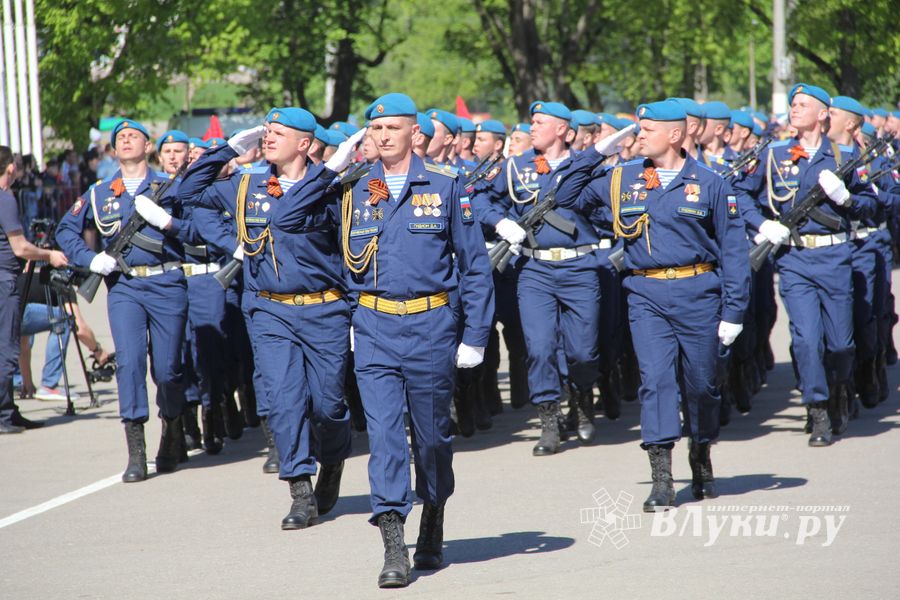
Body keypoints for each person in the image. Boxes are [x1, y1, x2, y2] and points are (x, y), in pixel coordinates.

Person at [178, 109, 363, 529]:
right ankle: (299, 489)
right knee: (284, 399)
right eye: (267, 131)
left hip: (325, 307)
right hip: (269, 308)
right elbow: (187, 192)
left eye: (280, 133)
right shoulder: (247, 183)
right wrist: (227, 149)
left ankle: (332, 460)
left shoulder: (336, 187)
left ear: (305, 143)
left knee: (329, 405)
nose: (269, 137)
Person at [339, 93, 493, 588]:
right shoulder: (354, 189)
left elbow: (474, 266)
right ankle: (392, 545)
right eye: (375, 129)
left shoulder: (447, 188)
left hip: (430, 327)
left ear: (415, 134)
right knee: (384, 439)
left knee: (430, 440)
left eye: (392, 128)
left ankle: (433, 515)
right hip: (375, 327)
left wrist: (475, 334)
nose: (382, 136)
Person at [572, 99, 750, 510]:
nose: (639, 136)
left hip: (699, 293)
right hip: (645, 293)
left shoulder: (710, 183)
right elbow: (566, 195)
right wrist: (596, 153)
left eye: (648, 130)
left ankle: (701, 450)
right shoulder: (624, 177)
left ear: (676, 133)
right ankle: (662, 478)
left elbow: (734, 251)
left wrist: (734, 311)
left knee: (703, 385)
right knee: (655, 381)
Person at [472, 101, 633, 454]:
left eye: (540, 122)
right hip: (534, 269)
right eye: (532, 121)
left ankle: (582, 398)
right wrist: (501, 222)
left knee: (583, 352)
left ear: (562, 129)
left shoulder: (586, 167)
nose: (532, 127)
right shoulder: (515, 166)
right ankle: (549, 421)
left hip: (580, 268)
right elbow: (478, 196)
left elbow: (612, 209)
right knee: (540, 348)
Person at [737, 84, 877, 446]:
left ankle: (840, 389)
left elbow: (873, 206)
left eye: (803, 105)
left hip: (835, 257)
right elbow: (740, 193)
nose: (794, 109)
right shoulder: (773, 154)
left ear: (822, 114)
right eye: (792, 104)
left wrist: (846, 198)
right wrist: (762, 224)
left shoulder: (844, 155)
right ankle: (817, 410)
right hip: (795, 259)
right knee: (805, 340)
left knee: (841, 345)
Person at [56, 119, 192, 480]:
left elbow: (195, 229)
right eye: (120, 138)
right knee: (129, 363)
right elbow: (64, 230)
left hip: (167, 284)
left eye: (134, 136)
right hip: (125, 288)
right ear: (114, 151)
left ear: (148, 147)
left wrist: (167, 222)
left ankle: (172, 432)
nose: (127, 140)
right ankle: (136, 452)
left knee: (167, 369)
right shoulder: (100, 193)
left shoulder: (170, 187)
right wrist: (90, 258)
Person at [0, 146, 69, 434]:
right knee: (6, 348)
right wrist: (48, 255)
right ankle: (3, 414)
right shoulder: (5, 199)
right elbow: (19, 247)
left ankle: (10, 409)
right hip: (5, 281)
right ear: (11, 168)